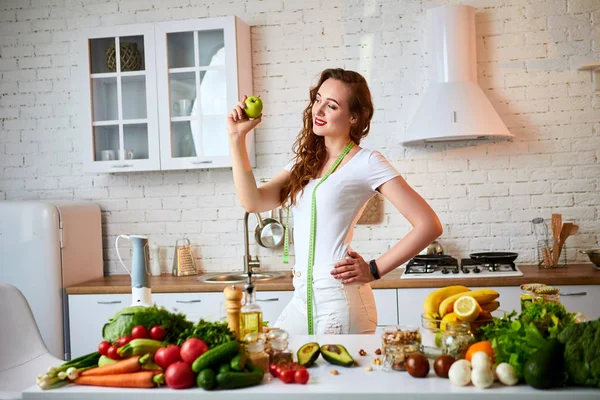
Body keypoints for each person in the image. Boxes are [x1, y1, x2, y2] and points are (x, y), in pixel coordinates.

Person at [227, 68, 442, 334]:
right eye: (318, 100)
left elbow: (428, 225)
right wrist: (237, 139)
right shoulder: (303, 164)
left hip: (340, 301)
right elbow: (254, 202)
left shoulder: (367, 162)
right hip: (300, 300)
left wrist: (374, 269)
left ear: (354, 117)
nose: (318, 111)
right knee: (276, 363)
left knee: (336, 376)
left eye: (331, 106)